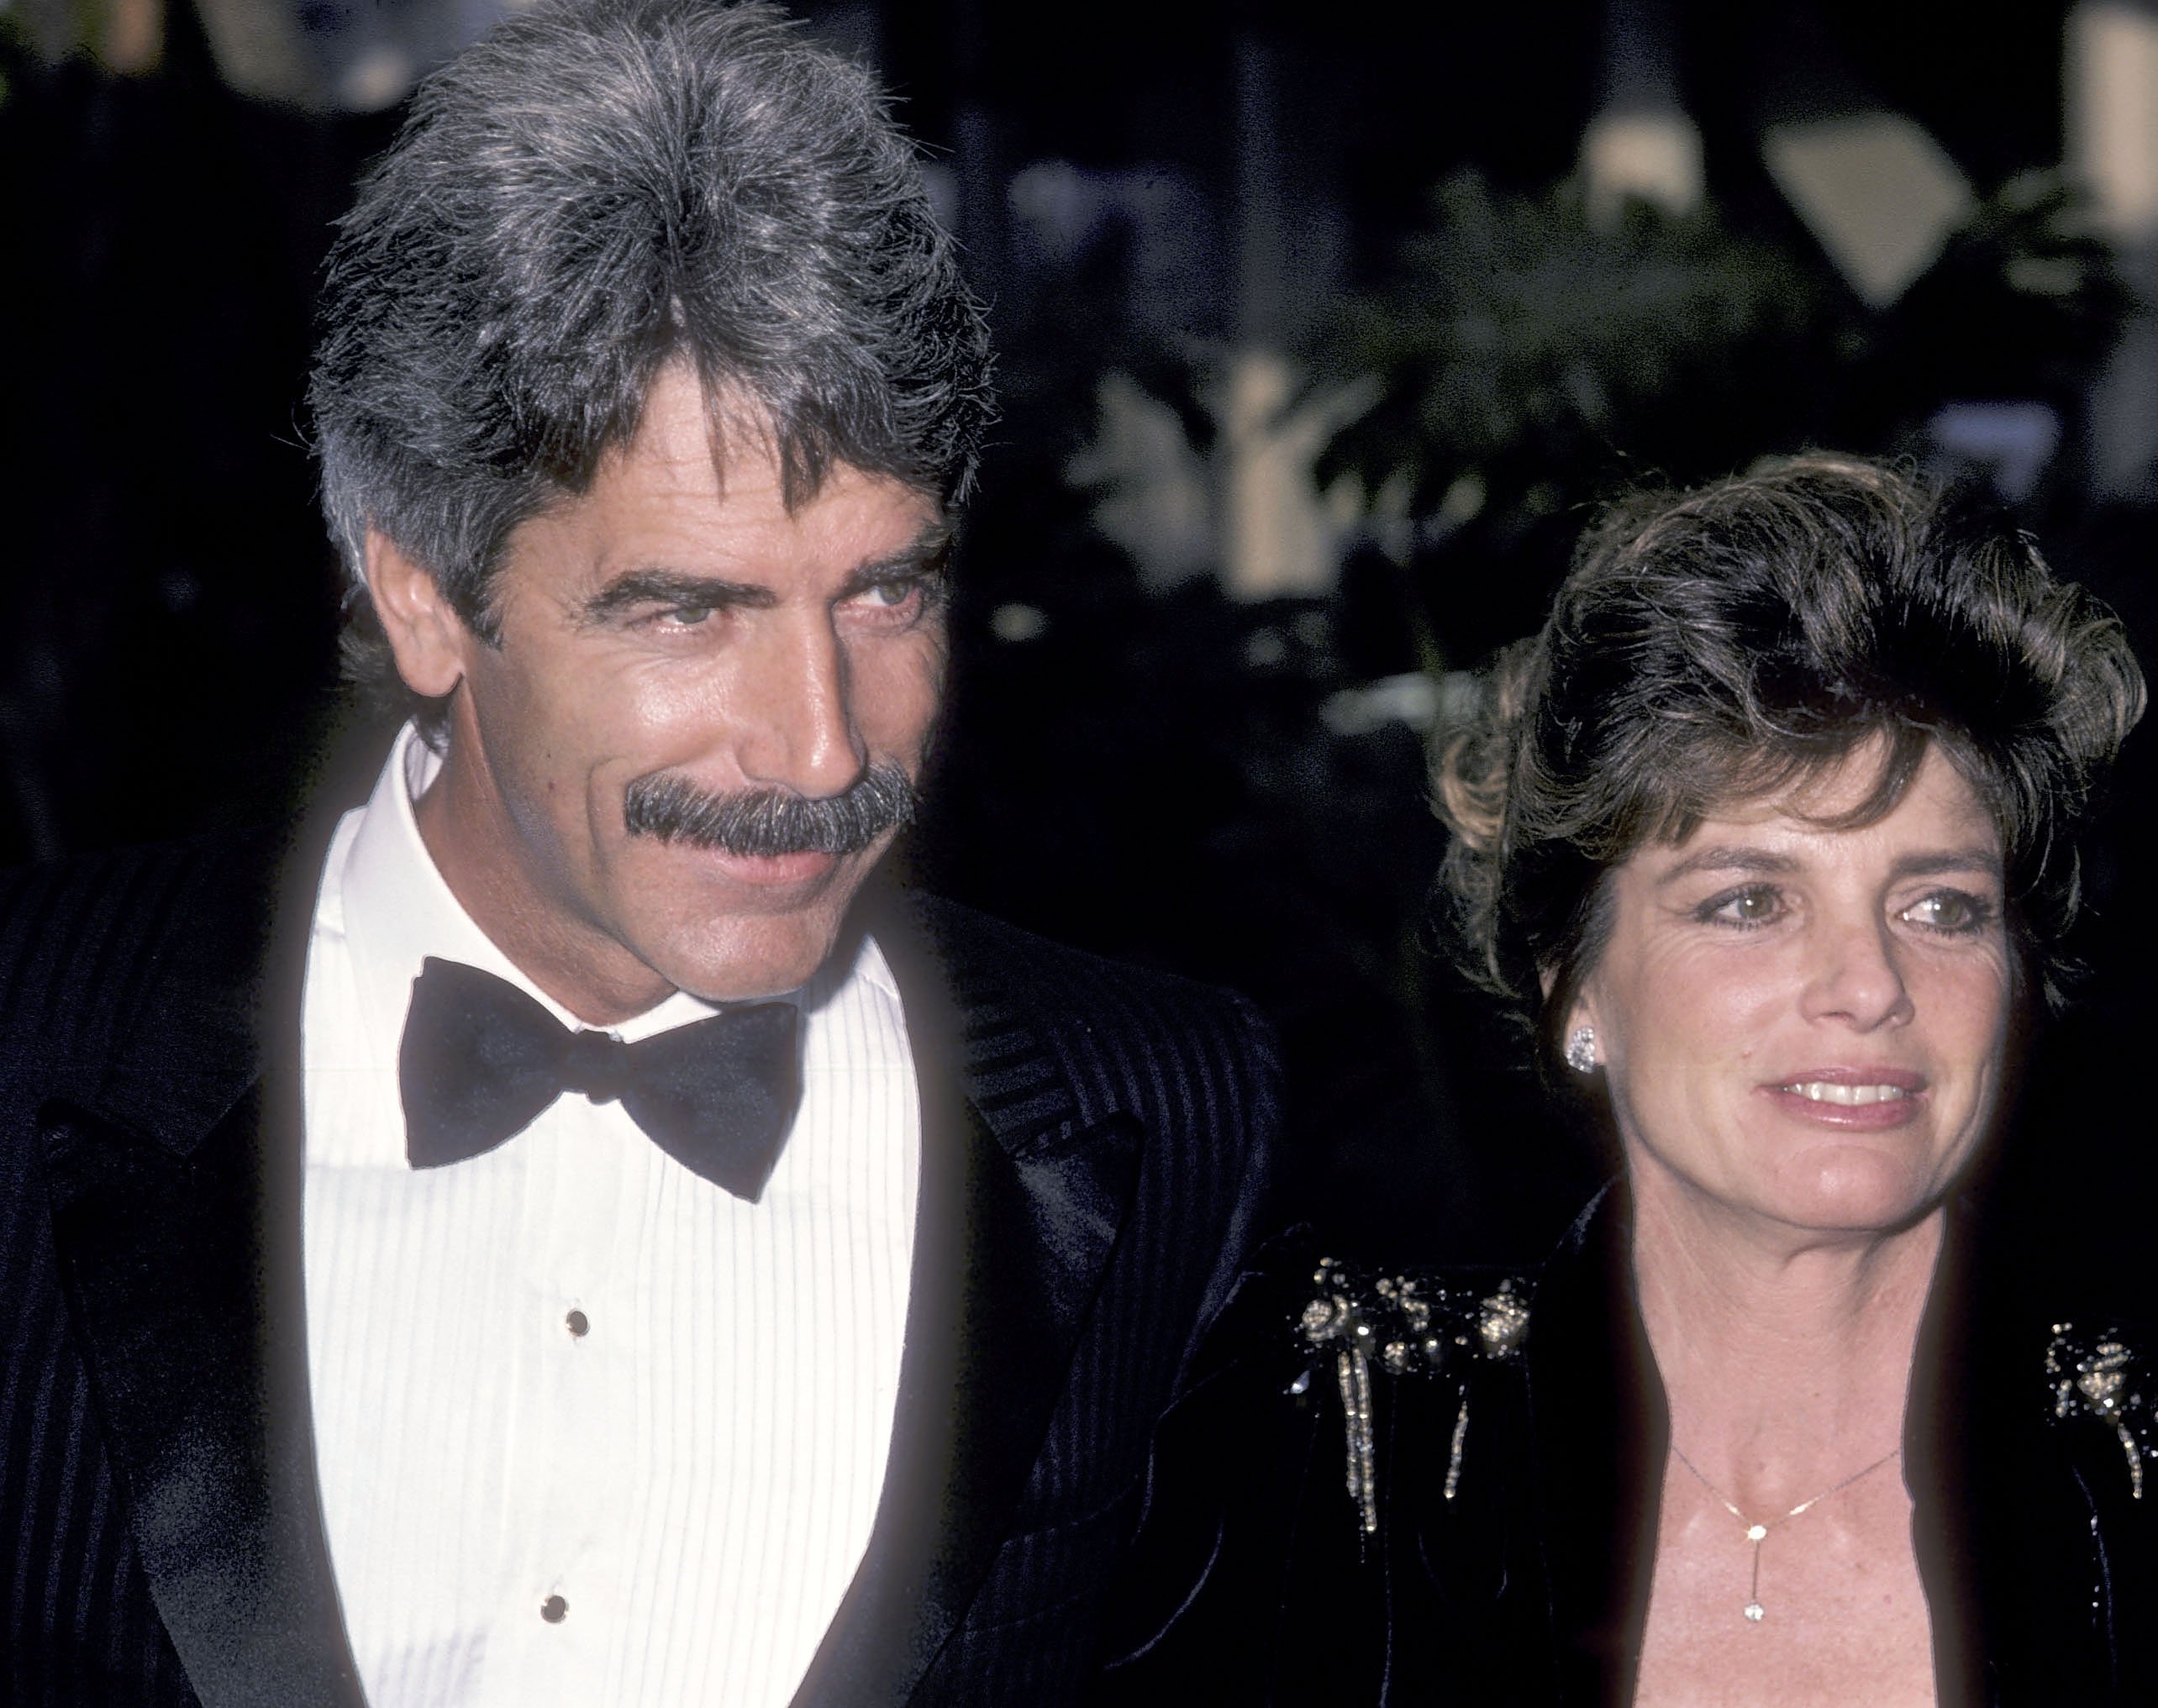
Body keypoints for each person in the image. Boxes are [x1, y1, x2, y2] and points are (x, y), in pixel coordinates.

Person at [0, 3, 1276, 1704]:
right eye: (688, 610)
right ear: (422, 596)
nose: (824, 749)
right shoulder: (25, 1048)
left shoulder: (1166, 1119)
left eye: (885, 590)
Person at [1094, 455, 2158, 1705]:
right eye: (1749, 900)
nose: (1870, 984)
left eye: (1939, 905)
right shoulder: (1327, 1448)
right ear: (1571, 982)